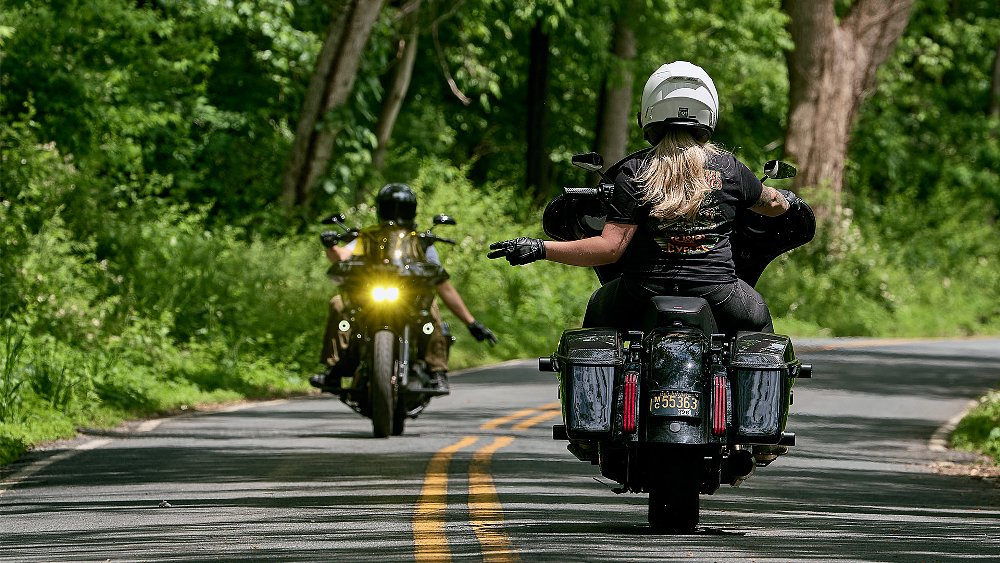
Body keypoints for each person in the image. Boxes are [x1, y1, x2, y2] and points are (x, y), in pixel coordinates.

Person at [487, 61, 792, 336]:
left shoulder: (633, 171)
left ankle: (594, 396)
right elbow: (773, 204)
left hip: (643, 290)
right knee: (760, 327)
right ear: (709, 113)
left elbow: (609, 248)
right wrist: (788, 199)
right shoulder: (730, 168)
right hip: (718, 291)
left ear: (647, 114)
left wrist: (539, 248)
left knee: (597, 322)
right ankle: (759, 398)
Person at [312, 183, 497, 393]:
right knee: (338, 304)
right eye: (391, 208)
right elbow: (341, 257)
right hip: (369, 297)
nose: (396, 215)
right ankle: (334, 369)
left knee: (432, 309)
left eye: (401, 208)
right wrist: (330, 245)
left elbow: (442, 284)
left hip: (410, 299)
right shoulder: (368, 237)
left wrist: (472, 323)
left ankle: (437, 370)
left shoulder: (420, 242)